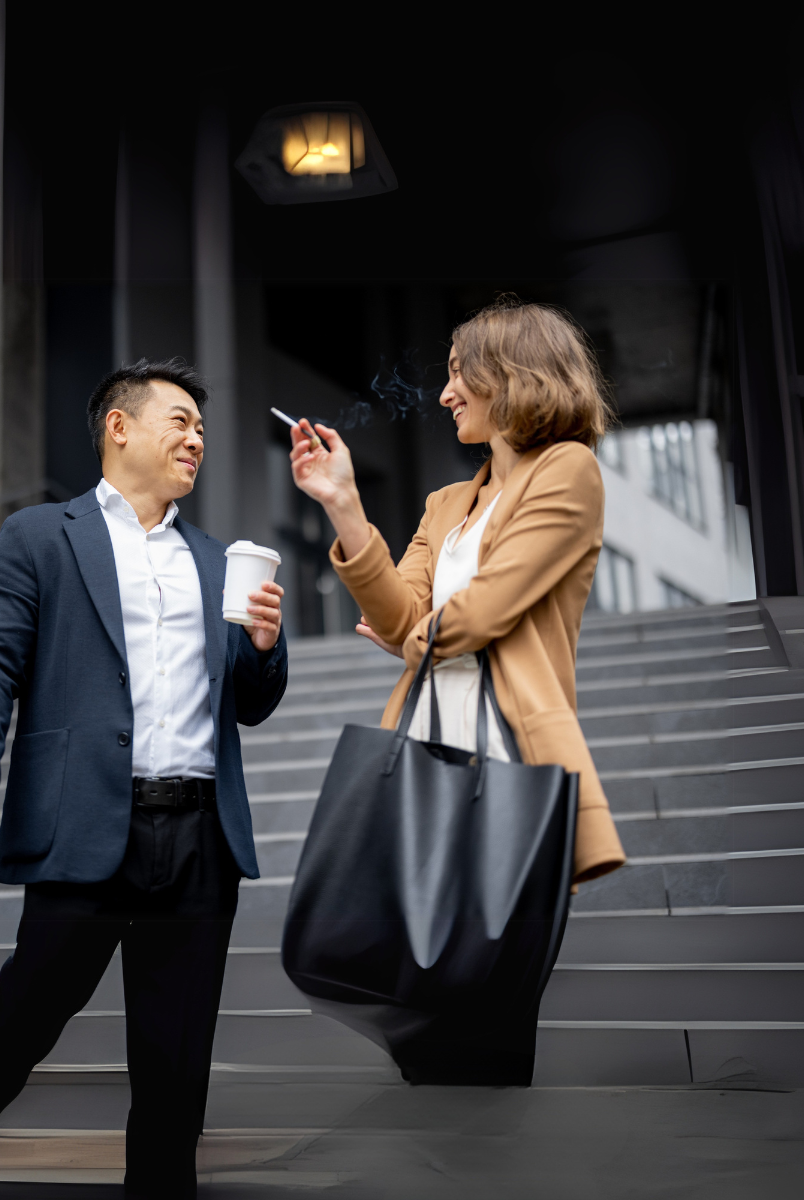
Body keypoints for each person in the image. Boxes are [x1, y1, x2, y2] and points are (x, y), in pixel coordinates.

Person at [0, 359, 288, 1199]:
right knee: (24, 1023)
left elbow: (251, 705)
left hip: (199, 838)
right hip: (86, 828)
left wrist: (263, 647)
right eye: (179, 420)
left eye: (200, 428)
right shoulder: (42, 535)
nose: (196, 438)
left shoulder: (222, 559)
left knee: (175, 1062)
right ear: (120, 427)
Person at [288, 297, 625, 1082]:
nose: (445, 394)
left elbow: (483, 609)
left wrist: (418, 636)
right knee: (418, 986)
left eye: (458, 373)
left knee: (490, 995)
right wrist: (343, 504)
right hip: (429, 745)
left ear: (511, 374)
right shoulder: (446, 504)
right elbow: (402, 607)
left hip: (513, 762)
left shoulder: (568, 470)